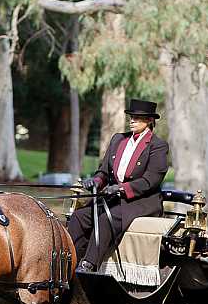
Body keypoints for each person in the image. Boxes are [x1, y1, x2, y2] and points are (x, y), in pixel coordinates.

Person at [67, 98, 169, 272]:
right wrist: (96, 181)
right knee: (79, 216)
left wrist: (122, 188)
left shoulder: (158, 146)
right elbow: (104, 172)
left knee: (106, 218)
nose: (132, 120)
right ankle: (70, 260)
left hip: (140, 201)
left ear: (150, 121)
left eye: (137, 117)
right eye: (131, 116)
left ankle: (89, 264)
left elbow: (151, 180)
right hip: (112, 197)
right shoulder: (118, 140)